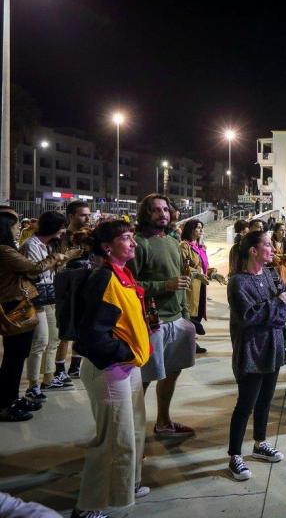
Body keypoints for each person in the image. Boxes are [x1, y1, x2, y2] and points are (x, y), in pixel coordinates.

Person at [71, 220, 153, 518]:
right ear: (108, 246)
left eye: (133, 238)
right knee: (113, 440)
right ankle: (88, 506)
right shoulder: (103, 278)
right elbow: (92, 335)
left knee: (133, 433)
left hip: (127, 367)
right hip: (110, 370)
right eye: (126, 239)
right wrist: (125, 352)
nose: (133, 244)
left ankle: (125, 486)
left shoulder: (124, 274)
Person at [129, 194, 197, 438]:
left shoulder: (171, 242)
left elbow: (181, 283)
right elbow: (129, 285)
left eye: (165, 209)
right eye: (156, 210)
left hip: (177, 320)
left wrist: (187, 315)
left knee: (172, 372)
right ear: (146, 214)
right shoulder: (138, 244)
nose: (163, 214)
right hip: (152, 323)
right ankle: (135, 434)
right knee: (143, 380)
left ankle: (163, 421)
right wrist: (163, 286)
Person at [225, 230, 286, 481]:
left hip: (273, 345)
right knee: (246, 404)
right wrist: (276, 305)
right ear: (253, 250)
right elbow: (247, 317)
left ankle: (260, 442)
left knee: (266, 400)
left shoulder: (272, 274)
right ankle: (234, 455)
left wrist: (276, 307)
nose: (273, 248)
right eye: (267, 244)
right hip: (251, 349)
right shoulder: (238, 282)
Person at [0, 211, 65, 422]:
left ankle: (11, 398)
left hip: (18, 301)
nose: (20, 228)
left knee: (18, 355)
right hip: (14, 304)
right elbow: (35, 269)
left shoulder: (10, 249)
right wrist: (56, 257)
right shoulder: (5, 251)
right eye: (16, 225)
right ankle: (5, 404)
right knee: (14, 356)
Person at [22, 211, 75, 402]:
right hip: (37, 299)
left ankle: (48, 378)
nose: (64, 231)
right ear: (54, 227)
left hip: (50, 296)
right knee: (40, 342)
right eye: (62, 227)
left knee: (54, 338)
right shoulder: (31, 245)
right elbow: (35, 271)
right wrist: (58, 257)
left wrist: (64, 257)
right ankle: (32, 385)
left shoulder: (47, 245)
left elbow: (51, 269)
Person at [57, 200, 92, 379]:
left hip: (86, 287)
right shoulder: (61, 236)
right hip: (66, 288)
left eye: (88, 214)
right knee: (65, 329)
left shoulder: (91, 235)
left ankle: (75, 366)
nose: (87, 218)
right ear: (71, 216)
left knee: (82, 327)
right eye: (83, 214)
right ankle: (59, 370)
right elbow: (57, 262)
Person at [181, 220, 225, 354]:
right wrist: (199, 273)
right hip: (190, 286)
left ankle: (191, 342)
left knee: (198, 313)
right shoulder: (184, 246)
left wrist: (214, 273)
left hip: (201, 285)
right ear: (190, 230)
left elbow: (204, 268)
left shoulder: (200, 247)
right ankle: (189, 344)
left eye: (202, 228)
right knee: (190, 315)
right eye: (198, 228)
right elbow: (184, 266)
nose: (201, 230)